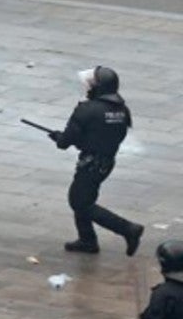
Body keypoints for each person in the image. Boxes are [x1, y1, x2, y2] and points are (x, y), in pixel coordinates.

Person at [50, 66, 145, 255]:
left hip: (90, 163)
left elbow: (65, 142)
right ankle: (87, 240)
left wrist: (60, 137)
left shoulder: (86, 110)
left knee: (79, 202)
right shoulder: (122, 110)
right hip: (107, 162)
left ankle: (127, 229)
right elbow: (104, 136)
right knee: (84, 198)